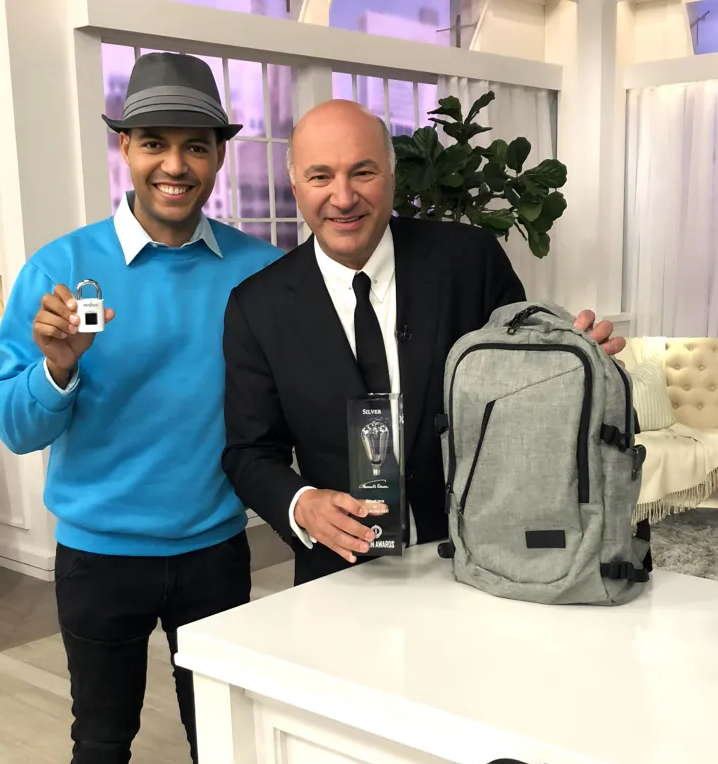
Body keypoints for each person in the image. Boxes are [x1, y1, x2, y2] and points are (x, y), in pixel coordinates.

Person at [0, 53, 281, 764]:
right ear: (125, 149)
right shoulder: (63, 272)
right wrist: (59, 367)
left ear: (216, 159)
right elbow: (16, 423)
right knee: (102, 744)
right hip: (100, 558)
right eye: (155, 142)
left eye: (195, 146)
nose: (174, 165)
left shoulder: (252, 270)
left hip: (212, 550)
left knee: (225, 743)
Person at [221, 100, 627, 585]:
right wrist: (300, 503)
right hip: (341, 576)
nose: (343, 196)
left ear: (392, 177)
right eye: (320, 177)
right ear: (296, 187)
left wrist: (571, 368)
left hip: (481, 557)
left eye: (363, 172)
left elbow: (523, 386)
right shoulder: (258, 305)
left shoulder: (468, 260)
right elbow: (249, 452)